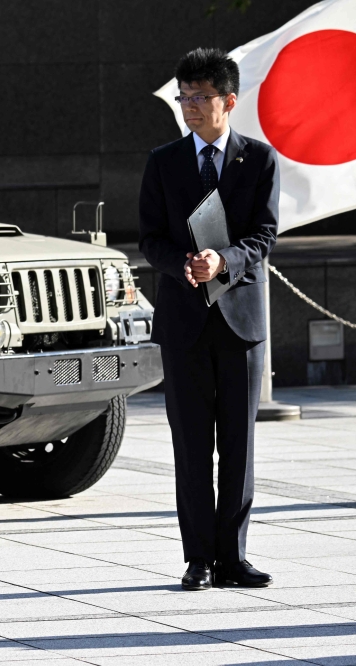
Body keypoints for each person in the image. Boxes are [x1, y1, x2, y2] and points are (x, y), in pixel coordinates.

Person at [139, 48, 278, 591]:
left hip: (241, 323)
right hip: (184, 321)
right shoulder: (163, 161)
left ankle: (233, 557)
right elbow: (150, 238)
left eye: (199, 97)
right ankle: (197, 557)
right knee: (192, 445)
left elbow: (264, 235)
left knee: (238, 446)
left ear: (229, 101)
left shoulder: (259, 160)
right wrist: (184, 266)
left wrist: (226, 260)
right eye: (184, 97)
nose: (189, 107)